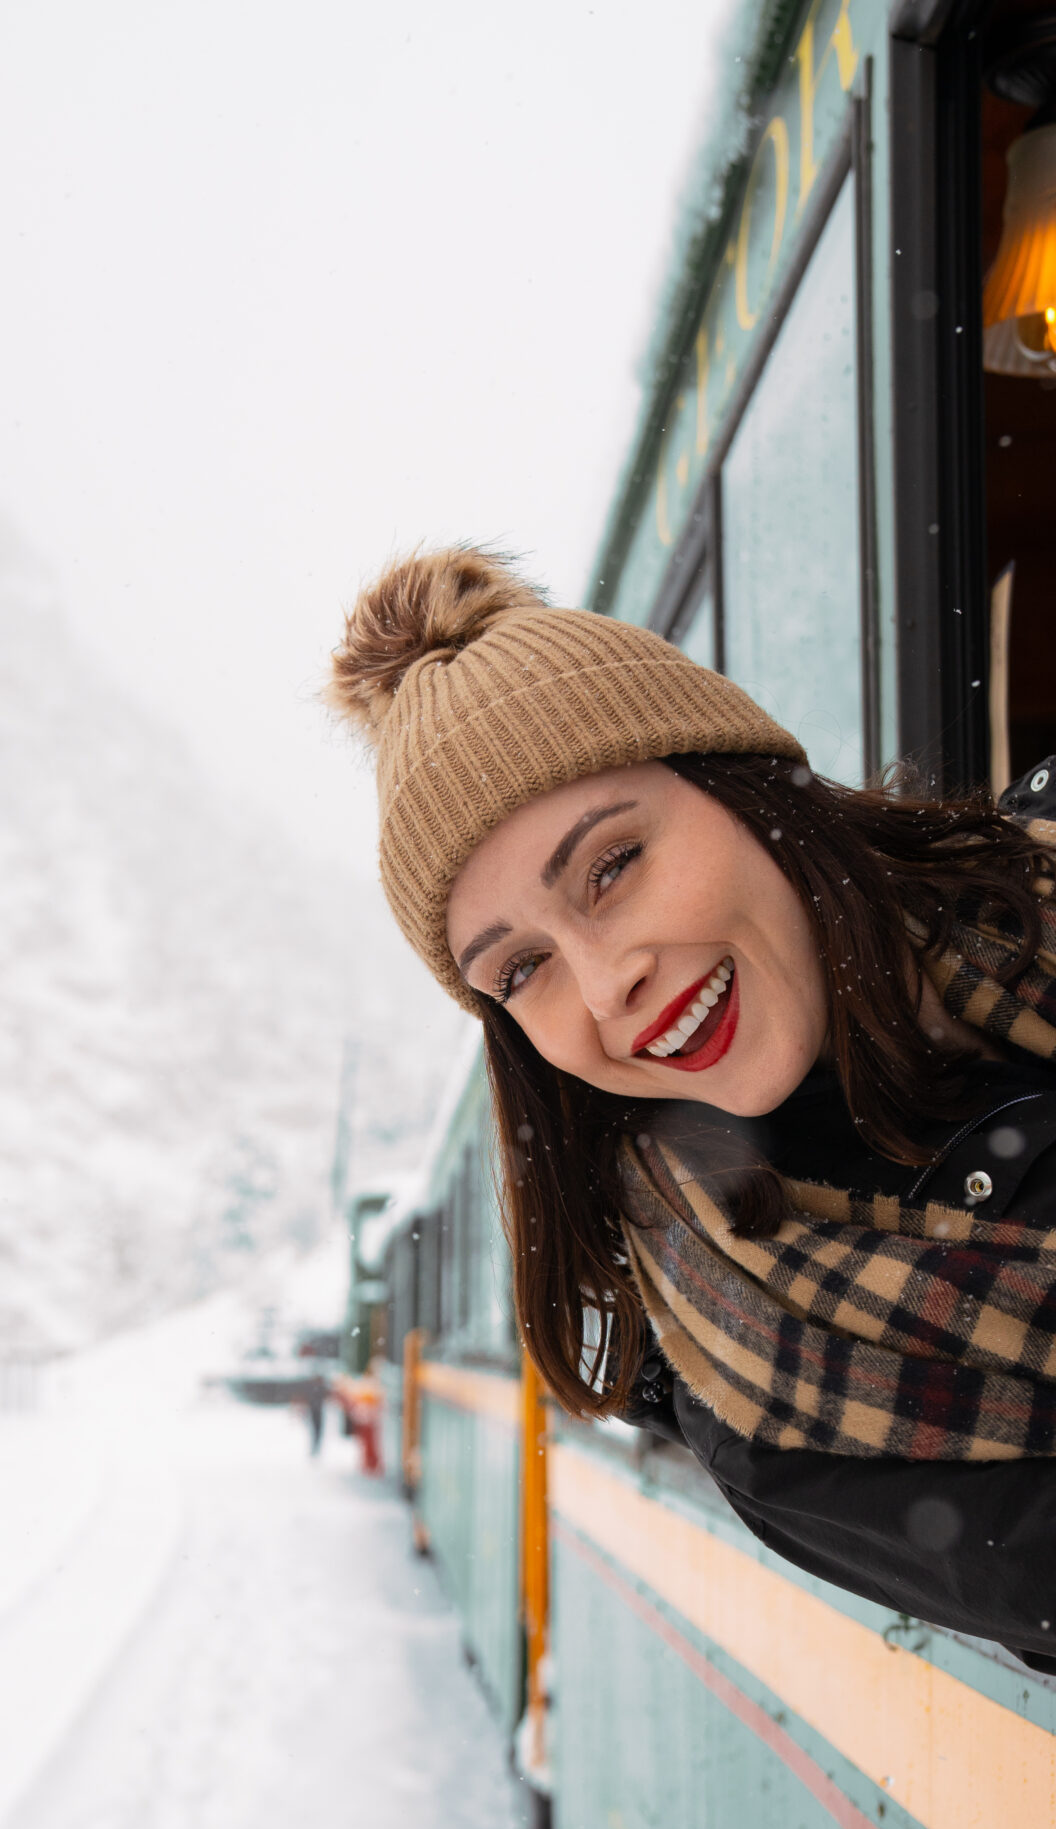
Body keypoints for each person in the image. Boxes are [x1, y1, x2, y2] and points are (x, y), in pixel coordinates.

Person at [326, 545, 1056, 1671]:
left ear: (742, 787)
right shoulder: (767, 1390)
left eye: (612, 865)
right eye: (520, 970)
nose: (604, 978)